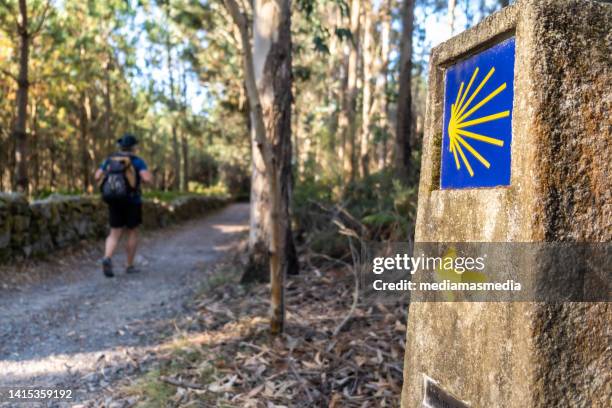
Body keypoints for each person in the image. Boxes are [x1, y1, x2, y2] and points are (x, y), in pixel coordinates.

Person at [95, 134, 153, 277]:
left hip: (114, 200)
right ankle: (129, 265)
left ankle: (107, 258)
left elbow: (97, 176)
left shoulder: (109, 159)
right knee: (132, 232)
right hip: (132, 201)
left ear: (120, 146)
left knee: (114, 233)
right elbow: (146, 178)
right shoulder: (137, 161)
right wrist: (148, 177)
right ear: (134, 147)